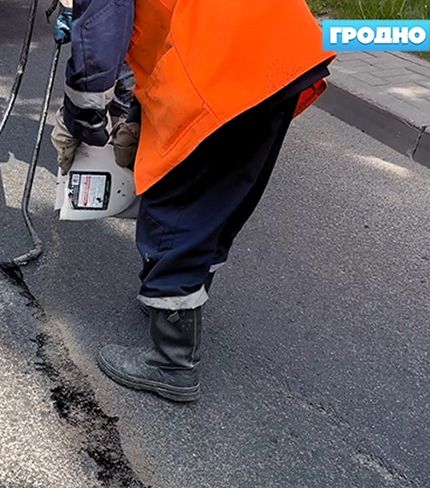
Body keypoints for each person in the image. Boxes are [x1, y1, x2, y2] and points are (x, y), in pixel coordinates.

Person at [51, 0, 335, 402]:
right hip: (278, 55)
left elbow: (100, 35)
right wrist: (136, 112)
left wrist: (81, 118)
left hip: (221, 62)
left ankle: (172, 362)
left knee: (175, 202)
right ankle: (180, 304)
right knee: (217, 200)